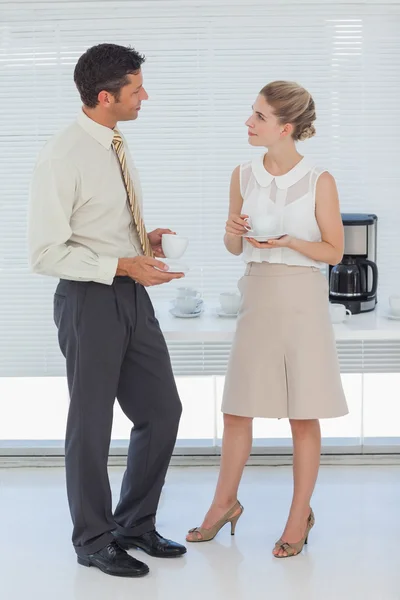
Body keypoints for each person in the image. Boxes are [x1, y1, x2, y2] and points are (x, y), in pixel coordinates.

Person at [28, 43, 187, 577]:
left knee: (162, 410)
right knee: (91, 425)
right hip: (87, 299)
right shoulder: (62, 155)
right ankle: (93, 540)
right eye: (136, 89)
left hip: (130, 292)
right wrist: (122, 264)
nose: (145, 97)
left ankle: (134, 524)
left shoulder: (115, 142)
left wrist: (146, 241)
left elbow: (103, 224)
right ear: (104, 96)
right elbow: (46, 252)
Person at [186, 80, 348, 558]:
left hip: (302, 299)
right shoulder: (242, 174)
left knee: (304, 411)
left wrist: (290, 242)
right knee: (237, 406)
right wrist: (232, 230)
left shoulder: (320, 180)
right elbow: (234, 246)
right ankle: (223, 504)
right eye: (251, 113)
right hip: (256, 293)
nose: (249, 122)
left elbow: (334, 251)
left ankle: (299, 515)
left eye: (258, 116)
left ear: (287, 127)